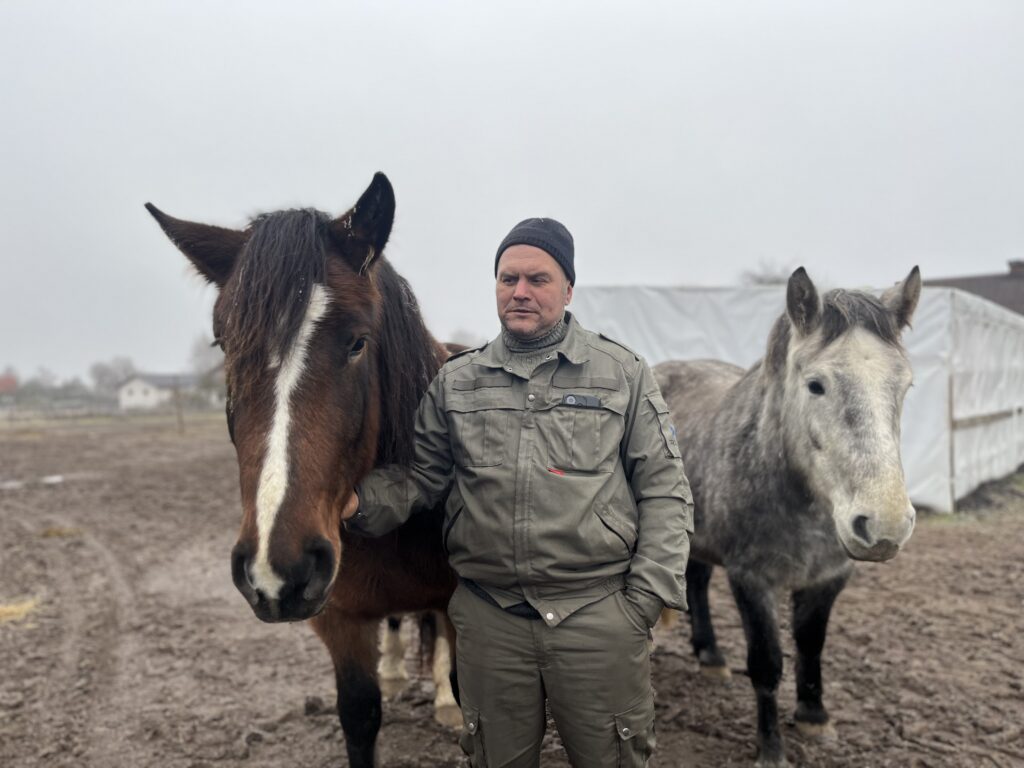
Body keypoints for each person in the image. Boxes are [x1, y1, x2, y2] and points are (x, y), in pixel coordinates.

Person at [344, 217, 693, 767]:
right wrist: (357, 503)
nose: (520, 292)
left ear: (568, 289)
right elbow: (422, 478)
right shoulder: (458, 382)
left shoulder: (621, 374)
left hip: (597, 616)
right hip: (491, 621)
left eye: (538, 279)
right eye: (508, 279)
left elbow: (666, 490)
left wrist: (644, 601)